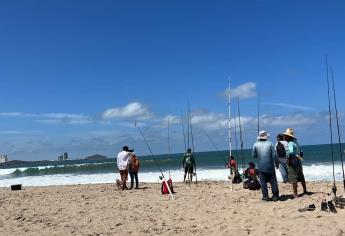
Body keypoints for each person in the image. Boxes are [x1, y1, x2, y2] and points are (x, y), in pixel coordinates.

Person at [252, 130, 279, 201]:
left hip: (261, 166)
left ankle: (265, 196)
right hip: (270, 166)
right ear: (266, 137)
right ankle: (275, 196)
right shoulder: (270, 144)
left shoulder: (255, 144)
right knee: (273, 180)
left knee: (263, 182)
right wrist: (277, 163)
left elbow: (254, 155)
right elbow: (274, 156)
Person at [283, 128, 307, 198]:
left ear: (288, 137)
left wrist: (289, 159)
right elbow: (301, 151)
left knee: (294, 178)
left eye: (285, 136)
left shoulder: (290, 143)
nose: (284, 137)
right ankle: (305, 190)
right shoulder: (296, 142)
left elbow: (290, 152)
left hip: (293, 161)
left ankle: (295, 194)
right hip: (298, 160)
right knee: (301, 176)